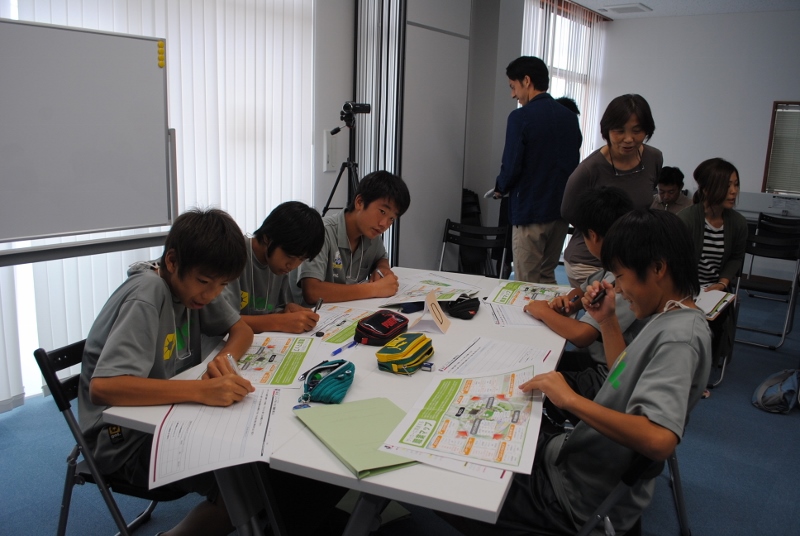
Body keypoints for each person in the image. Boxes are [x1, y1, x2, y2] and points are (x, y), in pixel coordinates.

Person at [441, 209, 712, 535]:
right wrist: (607, 320)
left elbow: (659, 439)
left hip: (574, 495)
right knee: (498, 417)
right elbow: (622, 375)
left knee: (445, 481)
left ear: (657, 268)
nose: (620, 290)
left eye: (621, 277)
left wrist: (570, 399)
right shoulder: (671, 318)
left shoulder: (680, 339)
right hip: (576, 456)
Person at [78, 208, 255, 536]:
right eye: (205, 282)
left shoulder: (194, 286)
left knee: (250, 464)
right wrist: (200, 391)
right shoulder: (148, 293)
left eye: (223, 285)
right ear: (172, 261)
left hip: (164, 418)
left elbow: (242, 331)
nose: (212, 294)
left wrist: (222, 362)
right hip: (121, 441)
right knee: (243, 484)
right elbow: (104, 387)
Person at [524, 187, 647, 425]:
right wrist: (571, 302)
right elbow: (581, 291)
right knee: (537, 362)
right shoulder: (614, 267)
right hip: (602, 364)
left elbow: (582, 336)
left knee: (534, 377)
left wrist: (543, 311)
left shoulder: (624, 282)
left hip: (610, 376)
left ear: (593, 235)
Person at [492, 56, 582, 284]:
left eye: (513, 86)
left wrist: (500, 187)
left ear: (527, 80)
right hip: (560, 213)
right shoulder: (569, 118)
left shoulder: (520, 117)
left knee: (525, 283)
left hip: (530, 212)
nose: (513, 94)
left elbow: (511, 164)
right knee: (546, 276)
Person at [561, 94, 663, 288]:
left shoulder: (654, 158)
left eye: (637, 131)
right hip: (590, 260)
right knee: (617, 301)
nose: (628, 139)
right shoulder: (589, 170)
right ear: (607, 130)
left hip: (629, 257)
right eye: (619, 131)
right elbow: (568, 212)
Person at [678, 158, 747, 396]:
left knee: (714, 320)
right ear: (707, 189)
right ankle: (685, 376)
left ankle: (698, 376)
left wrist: (722, 283)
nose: (734, 191)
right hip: (685, 287)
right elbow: (674, 260)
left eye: (736, 184)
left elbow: (736, 258)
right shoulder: (687, 219)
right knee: (686, 321)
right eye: (727, 185)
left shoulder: (737, 223)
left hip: (715, 289)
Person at [211, 201, 325, 334]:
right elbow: (222, 321)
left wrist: (286, 310)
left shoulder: (278, 266)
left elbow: (273, 310)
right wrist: (280, 321)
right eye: (289, 256)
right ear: (267, 238)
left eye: (301, 259)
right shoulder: (231, 255)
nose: (292, 266)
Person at [298, 170, 411, 303]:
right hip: (309, 313)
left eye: (391, 218)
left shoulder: (372, 234)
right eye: (382, 212)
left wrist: (382, 268)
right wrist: (374, 289)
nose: (384, 224)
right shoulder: (322, 232)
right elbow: (312, 292)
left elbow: (381, 257)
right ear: (359, 202)